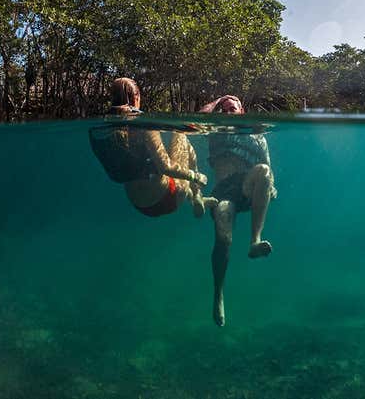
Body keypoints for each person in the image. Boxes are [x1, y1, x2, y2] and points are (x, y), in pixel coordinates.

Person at [199, 95, 277, 326]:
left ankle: (255, 241)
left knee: (264, 172)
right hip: (224, 191)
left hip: (246, 186)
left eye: (232, 109)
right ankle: (218, 294)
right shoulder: (215, 129)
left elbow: (268, 166)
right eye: (223, 109)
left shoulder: (257, 134)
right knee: (224, 237)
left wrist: (270, 185)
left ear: (242, 111)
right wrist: (220, 99)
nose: (227, 113)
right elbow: (200, 116)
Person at [89, 78, 215, 218]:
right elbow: (166, 167)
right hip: (168, 199)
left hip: (138, 204)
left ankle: (193, 197)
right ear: (136, 97)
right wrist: (196, 176)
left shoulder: (99, 129)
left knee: (164, 174)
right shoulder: (143, 123)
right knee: (181, 135)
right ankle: (197, 194)